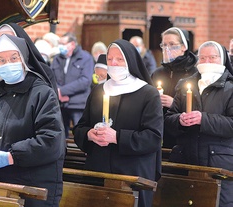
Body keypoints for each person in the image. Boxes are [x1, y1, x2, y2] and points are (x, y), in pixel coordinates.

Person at [0, 34, 66, 207]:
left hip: (30, 191)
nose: (7, 64)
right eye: (1, 60)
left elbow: (51, 141)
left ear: (23, 59)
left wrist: (10, 157)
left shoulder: (42, 94)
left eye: (13, 58)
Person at [73, 39, 163, 207]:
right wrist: (89, 134)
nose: (113, 63)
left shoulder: (148, 94)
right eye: (109, 59)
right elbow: (80, 126)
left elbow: (153, 137)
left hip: (132, 173)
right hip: (98, 170)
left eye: (119, 59)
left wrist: (117, 137)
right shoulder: (99, 90)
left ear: (130, 61)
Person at [165, 41, 233, 207]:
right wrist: (179, 120)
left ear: (222, 59)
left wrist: (203, 119)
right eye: (202, 58)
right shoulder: (185, 85)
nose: (207, 62)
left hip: (218, 162)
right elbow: (168, 119)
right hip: (185, 158)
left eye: (212, 57)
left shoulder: (231, 88)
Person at [151, 27, 198, 149]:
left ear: (184, 47)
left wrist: (174, 103)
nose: (167, 49)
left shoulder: (194, 72)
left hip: (184, 132)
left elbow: (201, 104)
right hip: (160, 128)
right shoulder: (157, 73)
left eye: (172, 44)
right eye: (164, 45)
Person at [51, 32, 94, 139]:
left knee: (80, 135)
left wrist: (63, 91)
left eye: (63, 43)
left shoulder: (85, 58)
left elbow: (85, 81)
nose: (60, 46)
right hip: (60, 105)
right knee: (60, 136)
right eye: (59, 43)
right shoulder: (57, 59)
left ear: (73, 44)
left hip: (78, 104)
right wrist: (58, 92)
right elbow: (51, 77)